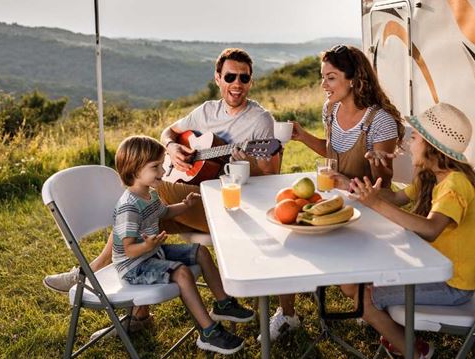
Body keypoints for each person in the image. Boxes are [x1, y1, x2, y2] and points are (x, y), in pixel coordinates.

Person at [43, 48, 279, 336]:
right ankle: (136, 313)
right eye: (230, 76)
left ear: (251, 81)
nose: (237, 83)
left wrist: (249, 160)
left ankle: (83, 274)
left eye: (244, 77)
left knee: (146, 200)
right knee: (146, 217)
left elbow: (270, 173)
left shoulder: (259, 120)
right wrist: (172, 147)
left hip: (230, 208)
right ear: (218, 78)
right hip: (192, 200)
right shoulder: (206, 111)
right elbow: (169, 131)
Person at [262, 44, 403, 342]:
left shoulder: (379, 121)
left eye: (331, 78)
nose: (323, 85)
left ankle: (372, 304)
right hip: (336, 202)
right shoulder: (331, 109)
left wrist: (373, 168)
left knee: (321, 258)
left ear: (354, 79)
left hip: (370, 211)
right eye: (322, 77)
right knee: (288, 237)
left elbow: (383, 183)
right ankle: (288, 312)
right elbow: (332, 151)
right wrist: (302, 137)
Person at [341, 103, 475, 358]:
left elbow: (431, 229)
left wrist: (375, 203)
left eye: (414, 138)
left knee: (360, 294)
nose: (408, 144)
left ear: (431, 147)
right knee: (354, 281)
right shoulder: (433, 176)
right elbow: (396, 198)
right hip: (430, 268)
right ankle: (398, 334)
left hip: (452, 283)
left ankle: (414, 351)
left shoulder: (455, 184)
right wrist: (353, 186)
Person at [111, 135, 253, 355]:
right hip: (134, 265)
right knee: (182, 273)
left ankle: (223, 303)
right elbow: (128, 249)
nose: (162, 172)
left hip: (151, 252)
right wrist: (147, 246)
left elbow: (165, 212)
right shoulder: (128, 207)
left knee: (201, 251)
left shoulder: (149, 194)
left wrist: (184, 205)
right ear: (134, 170)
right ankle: (208, 332)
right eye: (156, 167)